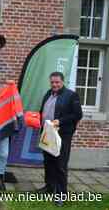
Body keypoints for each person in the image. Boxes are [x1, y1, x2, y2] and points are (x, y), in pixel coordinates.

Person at [38, 72, 82, 206]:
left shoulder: (71, 95)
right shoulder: (48, 93)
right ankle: (49, 187)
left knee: (60, 165)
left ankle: (61, 194)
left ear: (62, 82)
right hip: (47, 133)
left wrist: (60, 121)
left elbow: (77, 114)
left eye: (57, 82)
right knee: (48, 162)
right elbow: (43, 110)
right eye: (52, 82)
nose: (54, 85)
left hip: (62, 135)